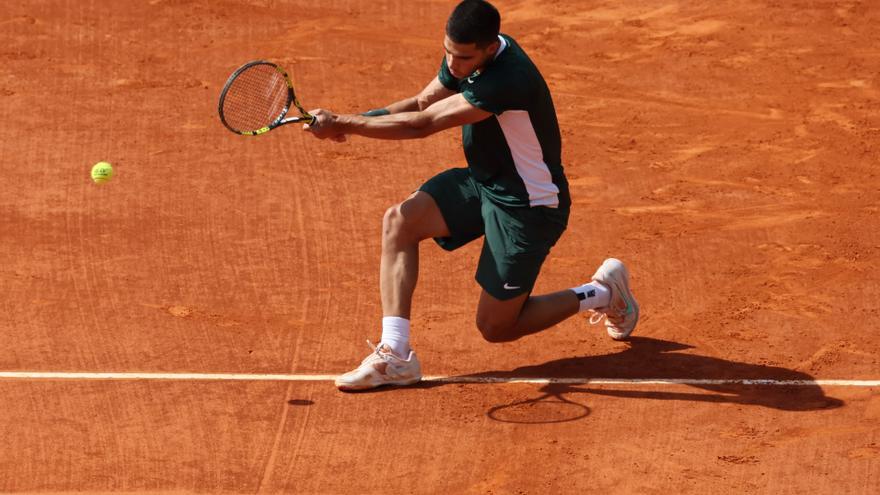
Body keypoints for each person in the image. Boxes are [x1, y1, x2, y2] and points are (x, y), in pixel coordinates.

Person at [303, 0, 639, 391]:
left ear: (490, 48)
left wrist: (346, 123)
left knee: (496, 327)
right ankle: (396, 356)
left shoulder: (507, 79)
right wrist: (355, 121)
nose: (453, 63)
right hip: (484, 183)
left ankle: (601, 292)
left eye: (463, 57)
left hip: (528, 207)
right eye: (448, 52)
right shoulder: (468, 54)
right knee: (401, 221)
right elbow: (421, 103)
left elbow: (423, 125)